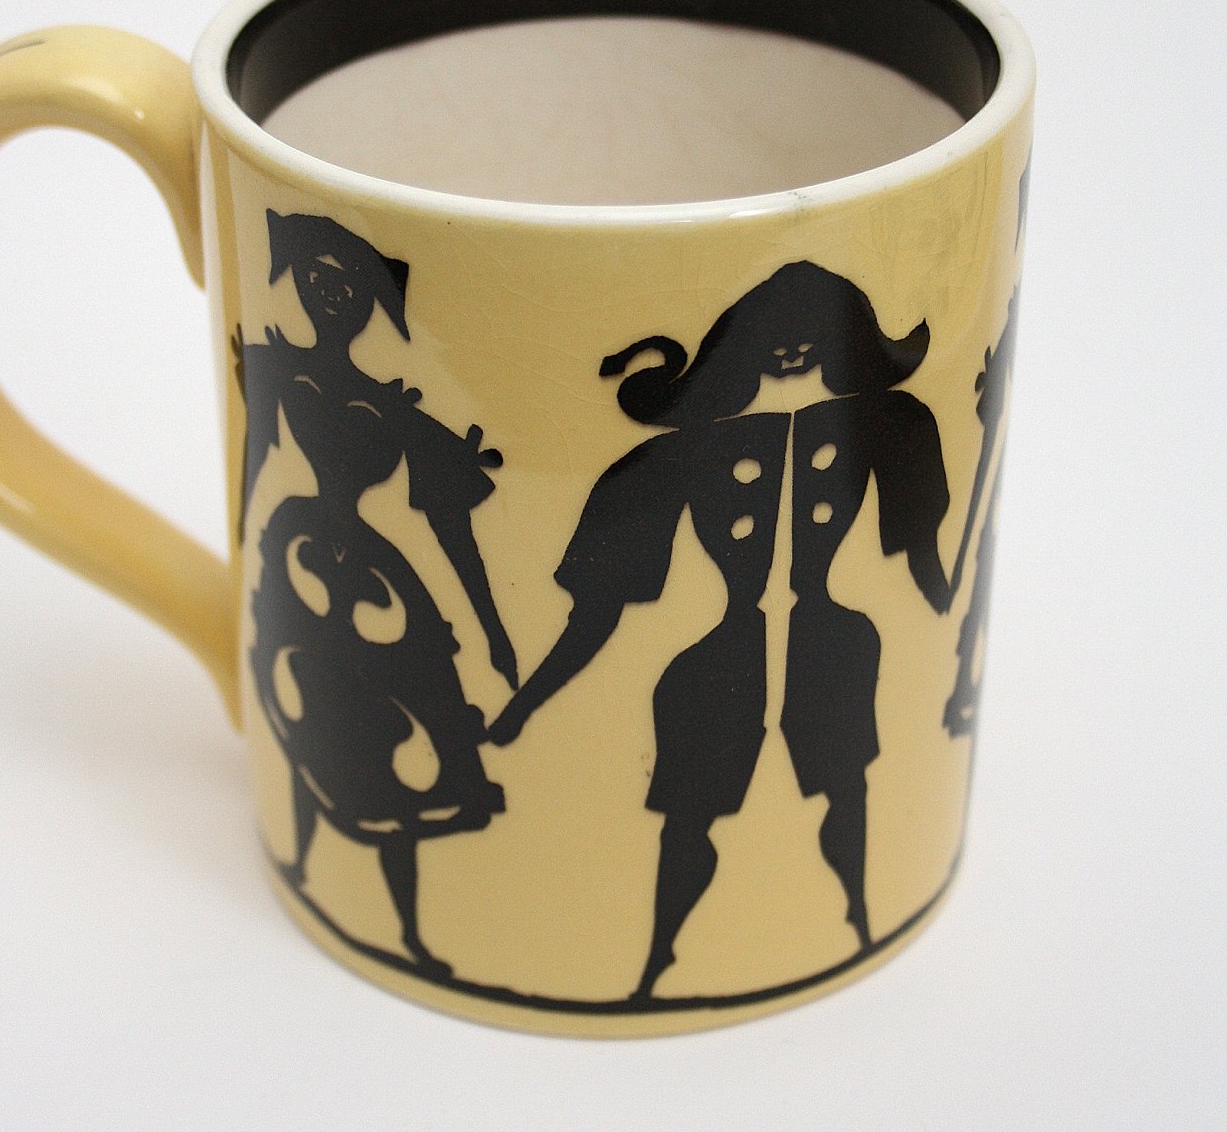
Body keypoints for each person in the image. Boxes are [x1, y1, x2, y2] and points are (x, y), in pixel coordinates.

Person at [488, 261, 953, 1001]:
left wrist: (959, 654)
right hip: (718, 656)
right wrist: (523, 704)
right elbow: (601, 608)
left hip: (833, 641)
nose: (793, 348)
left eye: (814, 330)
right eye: (772, 332)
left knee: (847, 791)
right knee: (686, 818)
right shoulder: (674, 455)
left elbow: (923, 560)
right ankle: (656, 965)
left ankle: (861, 918)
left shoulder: (891, 425)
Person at [238, 211, 516, 980]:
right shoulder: (276, 366)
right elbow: (253, 468)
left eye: (351, 287)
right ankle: (305, 869)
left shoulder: (397, 411)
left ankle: (406, 935)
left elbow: (453, 529)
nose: (332, 295)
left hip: (376, 582)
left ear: (373, 304)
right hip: (302, 561)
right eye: (317, 279)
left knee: (395, 744)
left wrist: (495, 634)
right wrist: (243, 553)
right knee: (312, 724)